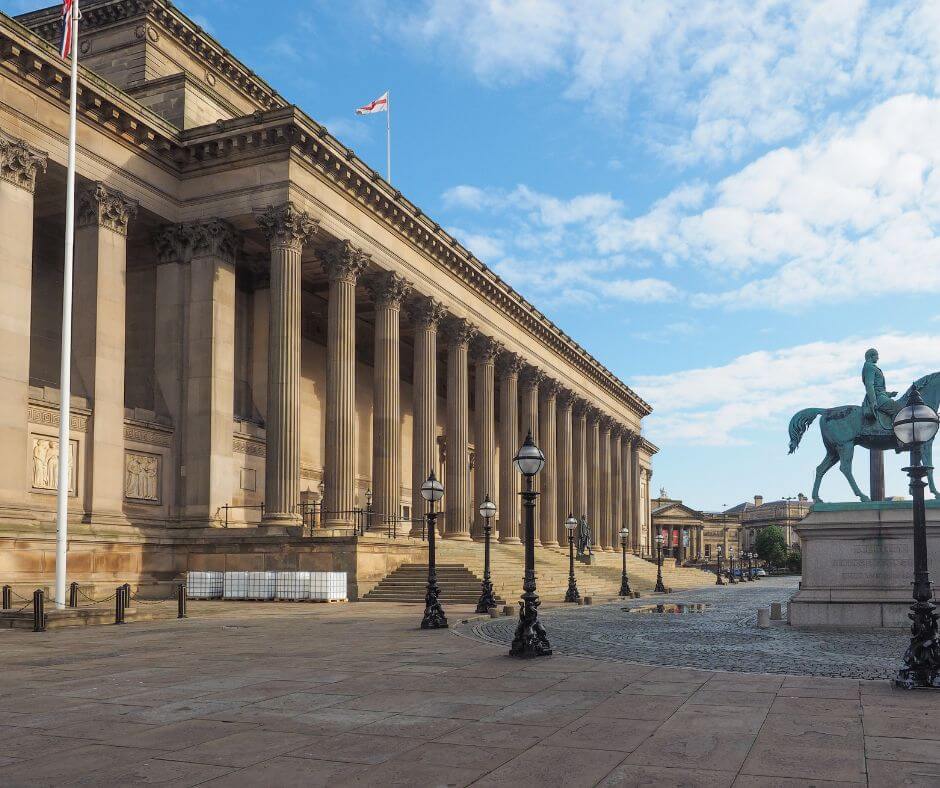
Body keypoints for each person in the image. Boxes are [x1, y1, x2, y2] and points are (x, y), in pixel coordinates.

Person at [862, 348, 900, 429]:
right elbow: (869, 385)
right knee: (897, 408)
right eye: (876, 355)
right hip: (877, 397)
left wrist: (890, 394)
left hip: (880, 395)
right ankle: (897, 432)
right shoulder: (869, 366)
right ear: (871, 356)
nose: (878, 358)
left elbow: (879, 388)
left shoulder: (873, 367)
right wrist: (873, 402)